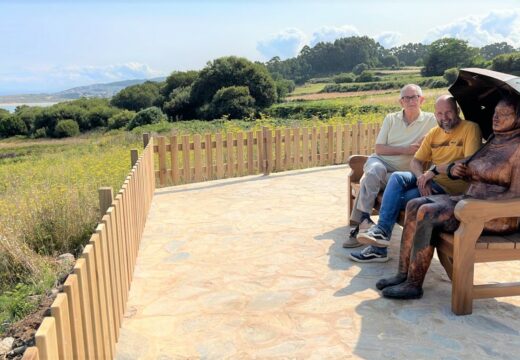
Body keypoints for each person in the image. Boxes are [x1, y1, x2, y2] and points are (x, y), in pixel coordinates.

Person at [378, 96, 520, 299]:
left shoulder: (517, 148)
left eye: (504, 114)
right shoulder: (494, 141)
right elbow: (475, 169)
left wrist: (480, 205)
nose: (496, 118)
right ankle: (403, 274)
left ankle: (414, 284)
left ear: (518, 118)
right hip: (470, 202)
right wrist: (461, 170)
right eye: (495, 113)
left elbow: (516, 196)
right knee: (413, 204)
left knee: (427, 212)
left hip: (496, 215)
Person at [350, 95, 482, 262]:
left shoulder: (470, 128)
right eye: (440, 113)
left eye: (448, 112)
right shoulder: (434, 133)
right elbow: (416, 161)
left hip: (450, 188)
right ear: (435, 114)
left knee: (402, 198)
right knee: (397, 177)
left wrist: (433, 171)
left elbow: (466, 163)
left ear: (457, 111)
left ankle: (378, 248)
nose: (444, 118)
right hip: (430, 181)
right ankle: (381, 233)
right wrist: (421, 177)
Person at [344, 84, 437, 248]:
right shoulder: (391, 118)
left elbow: (437, 137)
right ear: (401, 102)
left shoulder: (431, 120)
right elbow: (379, 148)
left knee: (369, 181)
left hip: (398, 176)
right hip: (380, 162)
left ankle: (360, 224)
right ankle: (365, 219)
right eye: (406, 98)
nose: (410, 101)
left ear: (421, 100)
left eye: (414, 97)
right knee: (375, 170)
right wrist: (406, 149)